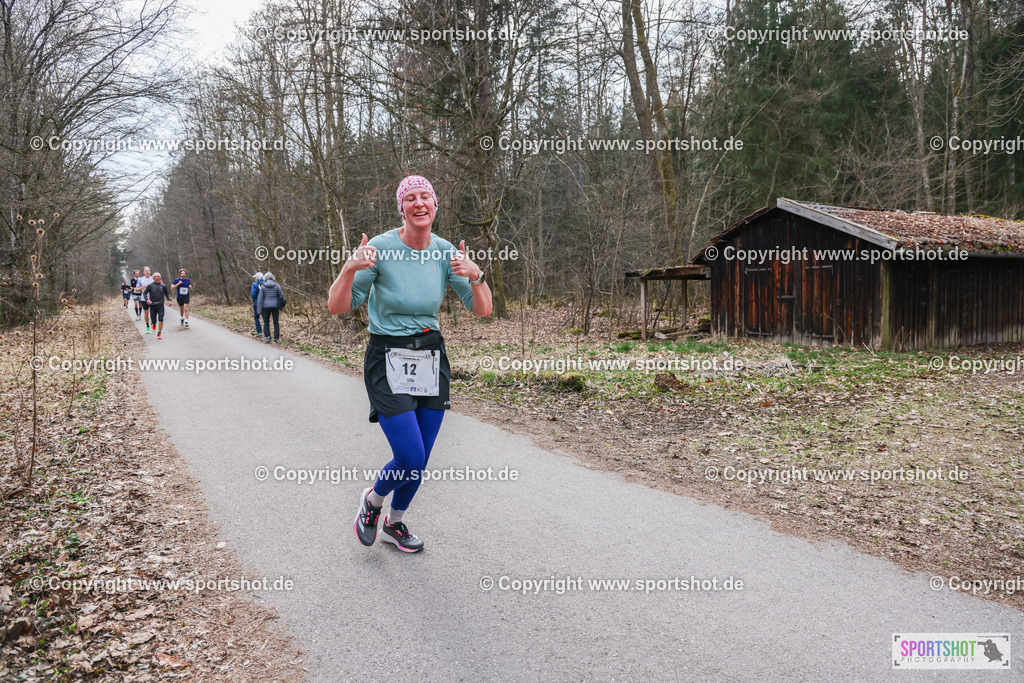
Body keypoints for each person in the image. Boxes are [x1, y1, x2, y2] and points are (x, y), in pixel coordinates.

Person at [328, 175, 492, 553]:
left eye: (426, 198)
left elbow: (481, 310)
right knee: (410, 455)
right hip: (387, 357)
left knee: (421, 460)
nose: (420, 204)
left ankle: (394, 524)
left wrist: (477, 276)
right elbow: (338, 306)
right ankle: (372, 500)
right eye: (411, 198)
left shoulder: (445, 250)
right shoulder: (381, 249)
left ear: (435, 206)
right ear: (401, 208)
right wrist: (349, 268)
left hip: (431, 356)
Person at [256, 272, 285, 342]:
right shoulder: (277, 285)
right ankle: (276, 338)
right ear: (273, 277)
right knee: (276, 322)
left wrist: (259, 311)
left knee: (266, 322)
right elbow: (281, 296)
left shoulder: (263, 287)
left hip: (266, 307)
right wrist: (280, 305)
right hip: (275, 306)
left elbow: (260, 299)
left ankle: (268, 337)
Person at [143, 272, 171, 339]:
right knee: (153, 320)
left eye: (158, 277)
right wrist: (147, 300)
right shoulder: (150, 286)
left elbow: (167, 293)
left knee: (161, 319)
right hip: (152, 305)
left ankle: (159, 333)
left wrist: (169, 300)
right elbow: (144, 293)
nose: (157, 278)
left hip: (160, 305)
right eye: (155, 277)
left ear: (160, 278)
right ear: (153, 278)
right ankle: (154, 324)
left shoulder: (163, 286)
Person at [136, 267, 154, 334]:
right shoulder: (140, 279)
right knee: (146, 313)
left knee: (153, 313)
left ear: (150, 272)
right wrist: (141, 287)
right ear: (143, 272)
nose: (147, 272)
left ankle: (153, 323)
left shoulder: (153, 279)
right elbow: (136, 289)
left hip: (152, 298)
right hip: (144, 299)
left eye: (148, 270)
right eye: (146, 271)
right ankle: (147, 326)